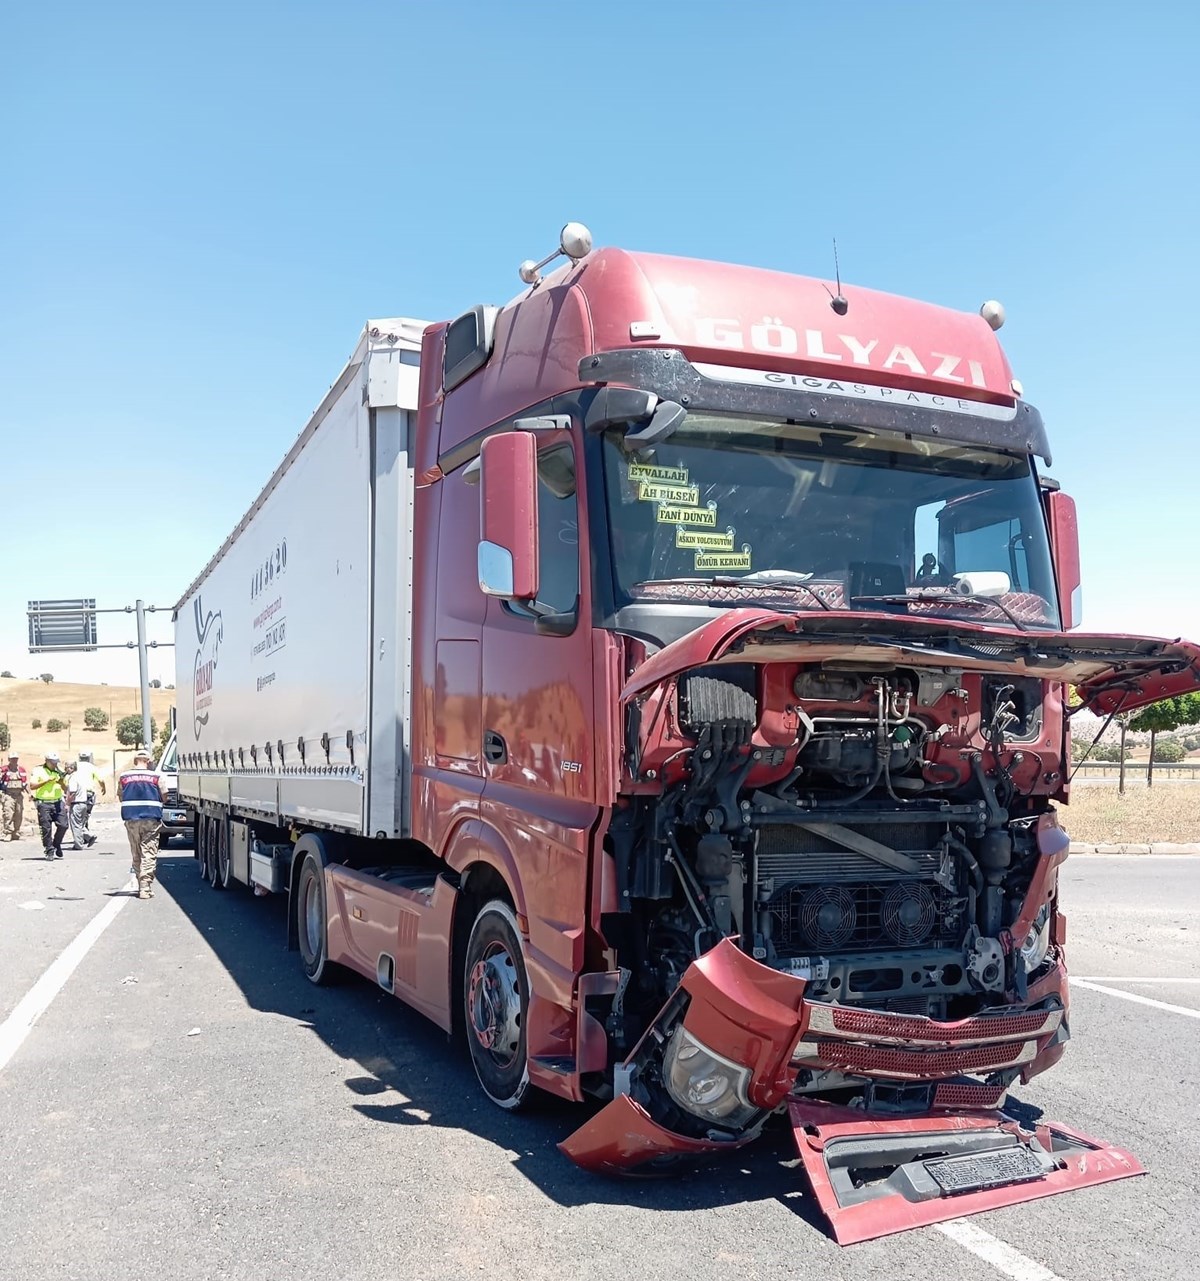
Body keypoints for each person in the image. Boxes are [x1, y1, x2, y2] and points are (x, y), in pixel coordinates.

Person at [119, 749, 163, 900]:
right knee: (148, 851)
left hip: (131, 818)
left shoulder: (124, 776)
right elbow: (164, 795)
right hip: (151, 818)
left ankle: (140, 884)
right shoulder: (156, 776)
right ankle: (145, 887)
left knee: (136, 851)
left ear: (134, 761)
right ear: (149, 762)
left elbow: (120, 795)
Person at [29, 751, 68, 859]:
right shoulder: (38, 770)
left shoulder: (59, 771)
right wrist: (46, 781)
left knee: (63, 825)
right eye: (53, 762)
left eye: (56, 762)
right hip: (44, 802)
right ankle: (49, 850)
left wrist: (61, 783)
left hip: (58, 801)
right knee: (46, 828)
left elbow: (65, 788)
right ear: (47, 761)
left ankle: (56, 844)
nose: (55, 764)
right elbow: (32, 786)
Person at [65, 761, 97, 850]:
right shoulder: (81, 777)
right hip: (84, 803)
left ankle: (78, 844)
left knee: (75, 825)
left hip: (76, 803)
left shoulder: (73, 778)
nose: (65, 769)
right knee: (80, 824)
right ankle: (89, 836)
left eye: (67, 767)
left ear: (71, 768)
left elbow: (72, 792)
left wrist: (67, 804)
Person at [1, 752, 28, 843]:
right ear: (9, 759)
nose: (14, 760)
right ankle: (8, 832)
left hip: (19, 795)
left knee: (19, 814)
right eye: (12, 759)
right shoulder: (3, 769)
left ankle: (16, 831)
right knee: (8, 814)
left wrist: (30, 794)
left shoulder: (21, 770)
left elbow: (25, 783)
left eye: (16, 758)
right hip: (8, 795)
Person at [78, 748, 105, 825]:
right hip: (88, 793)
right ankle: (84, 828)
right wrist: (103, 788)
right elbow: (101, 780)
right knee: (86, 812)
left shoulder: (75, 766)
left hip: (76, 793)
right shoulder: (92, 767)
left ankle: (81, 828)